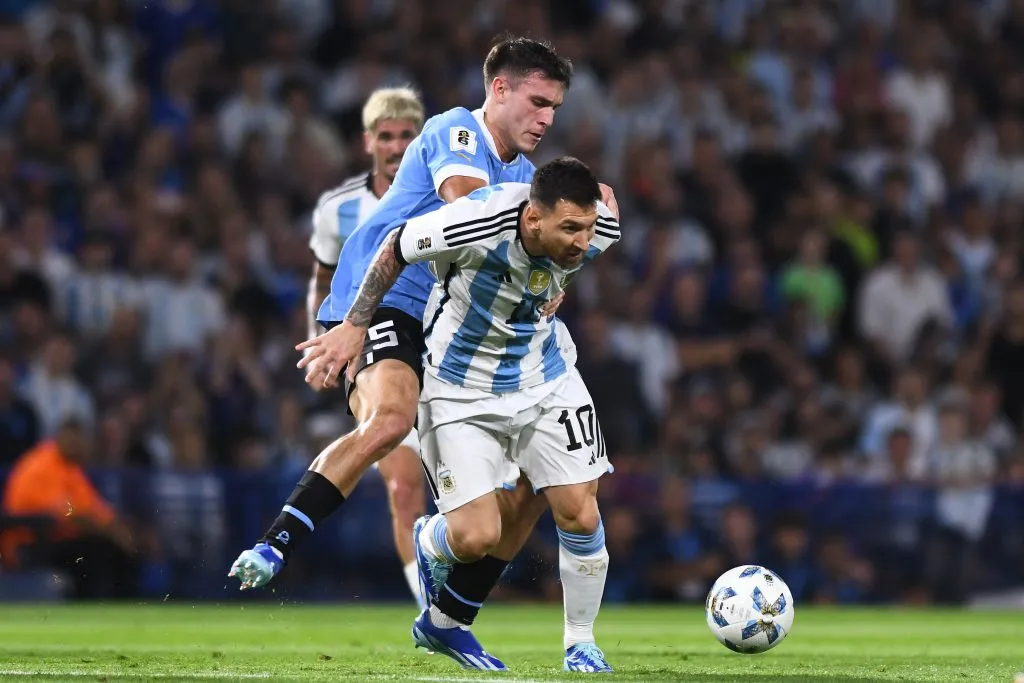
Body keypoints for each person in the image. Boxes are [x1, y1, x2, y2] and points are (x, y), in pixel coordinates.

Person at [231, 38, 615, 669]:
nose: (546, 119)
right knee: (390, 420)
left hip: (451, 329)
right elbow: (466, 207)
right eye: (537, 101)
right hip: (384, 302)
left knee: (524, 497)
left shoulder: (529, 183)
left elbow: (538, 266)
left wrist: (569, 260)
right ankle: (278, 543)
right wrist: (352, 324)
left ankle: (449, 618)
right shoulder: (455, 133)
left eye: (555, 108)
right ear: (499, 90)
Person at [299, 158, 618, 673]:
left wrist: (562, 279)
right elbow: (395, 246)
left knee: (580, 509)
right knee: (474, 537)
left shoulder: (597, 224)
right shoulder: (476, 220)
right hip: (460, 388)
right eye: (569, 229)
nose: (583, 241)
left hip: (546, 377)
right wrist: (355, 326)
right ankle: (431, 538)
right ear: (533, 219)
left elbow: (605, 202)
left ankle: (580, 641)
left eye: (587, 227)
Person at [306, 86, 428, 609]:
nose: (397, 146)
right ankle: (433, 610)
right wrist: (324, 343)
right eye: (387, 136)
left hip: (443, 349)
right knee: (403, 488)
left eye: (407, 136)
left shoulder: (443, 195)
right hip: (379, 344)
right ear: (367, 142)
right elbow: (324, 280)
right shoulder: (339, 210)